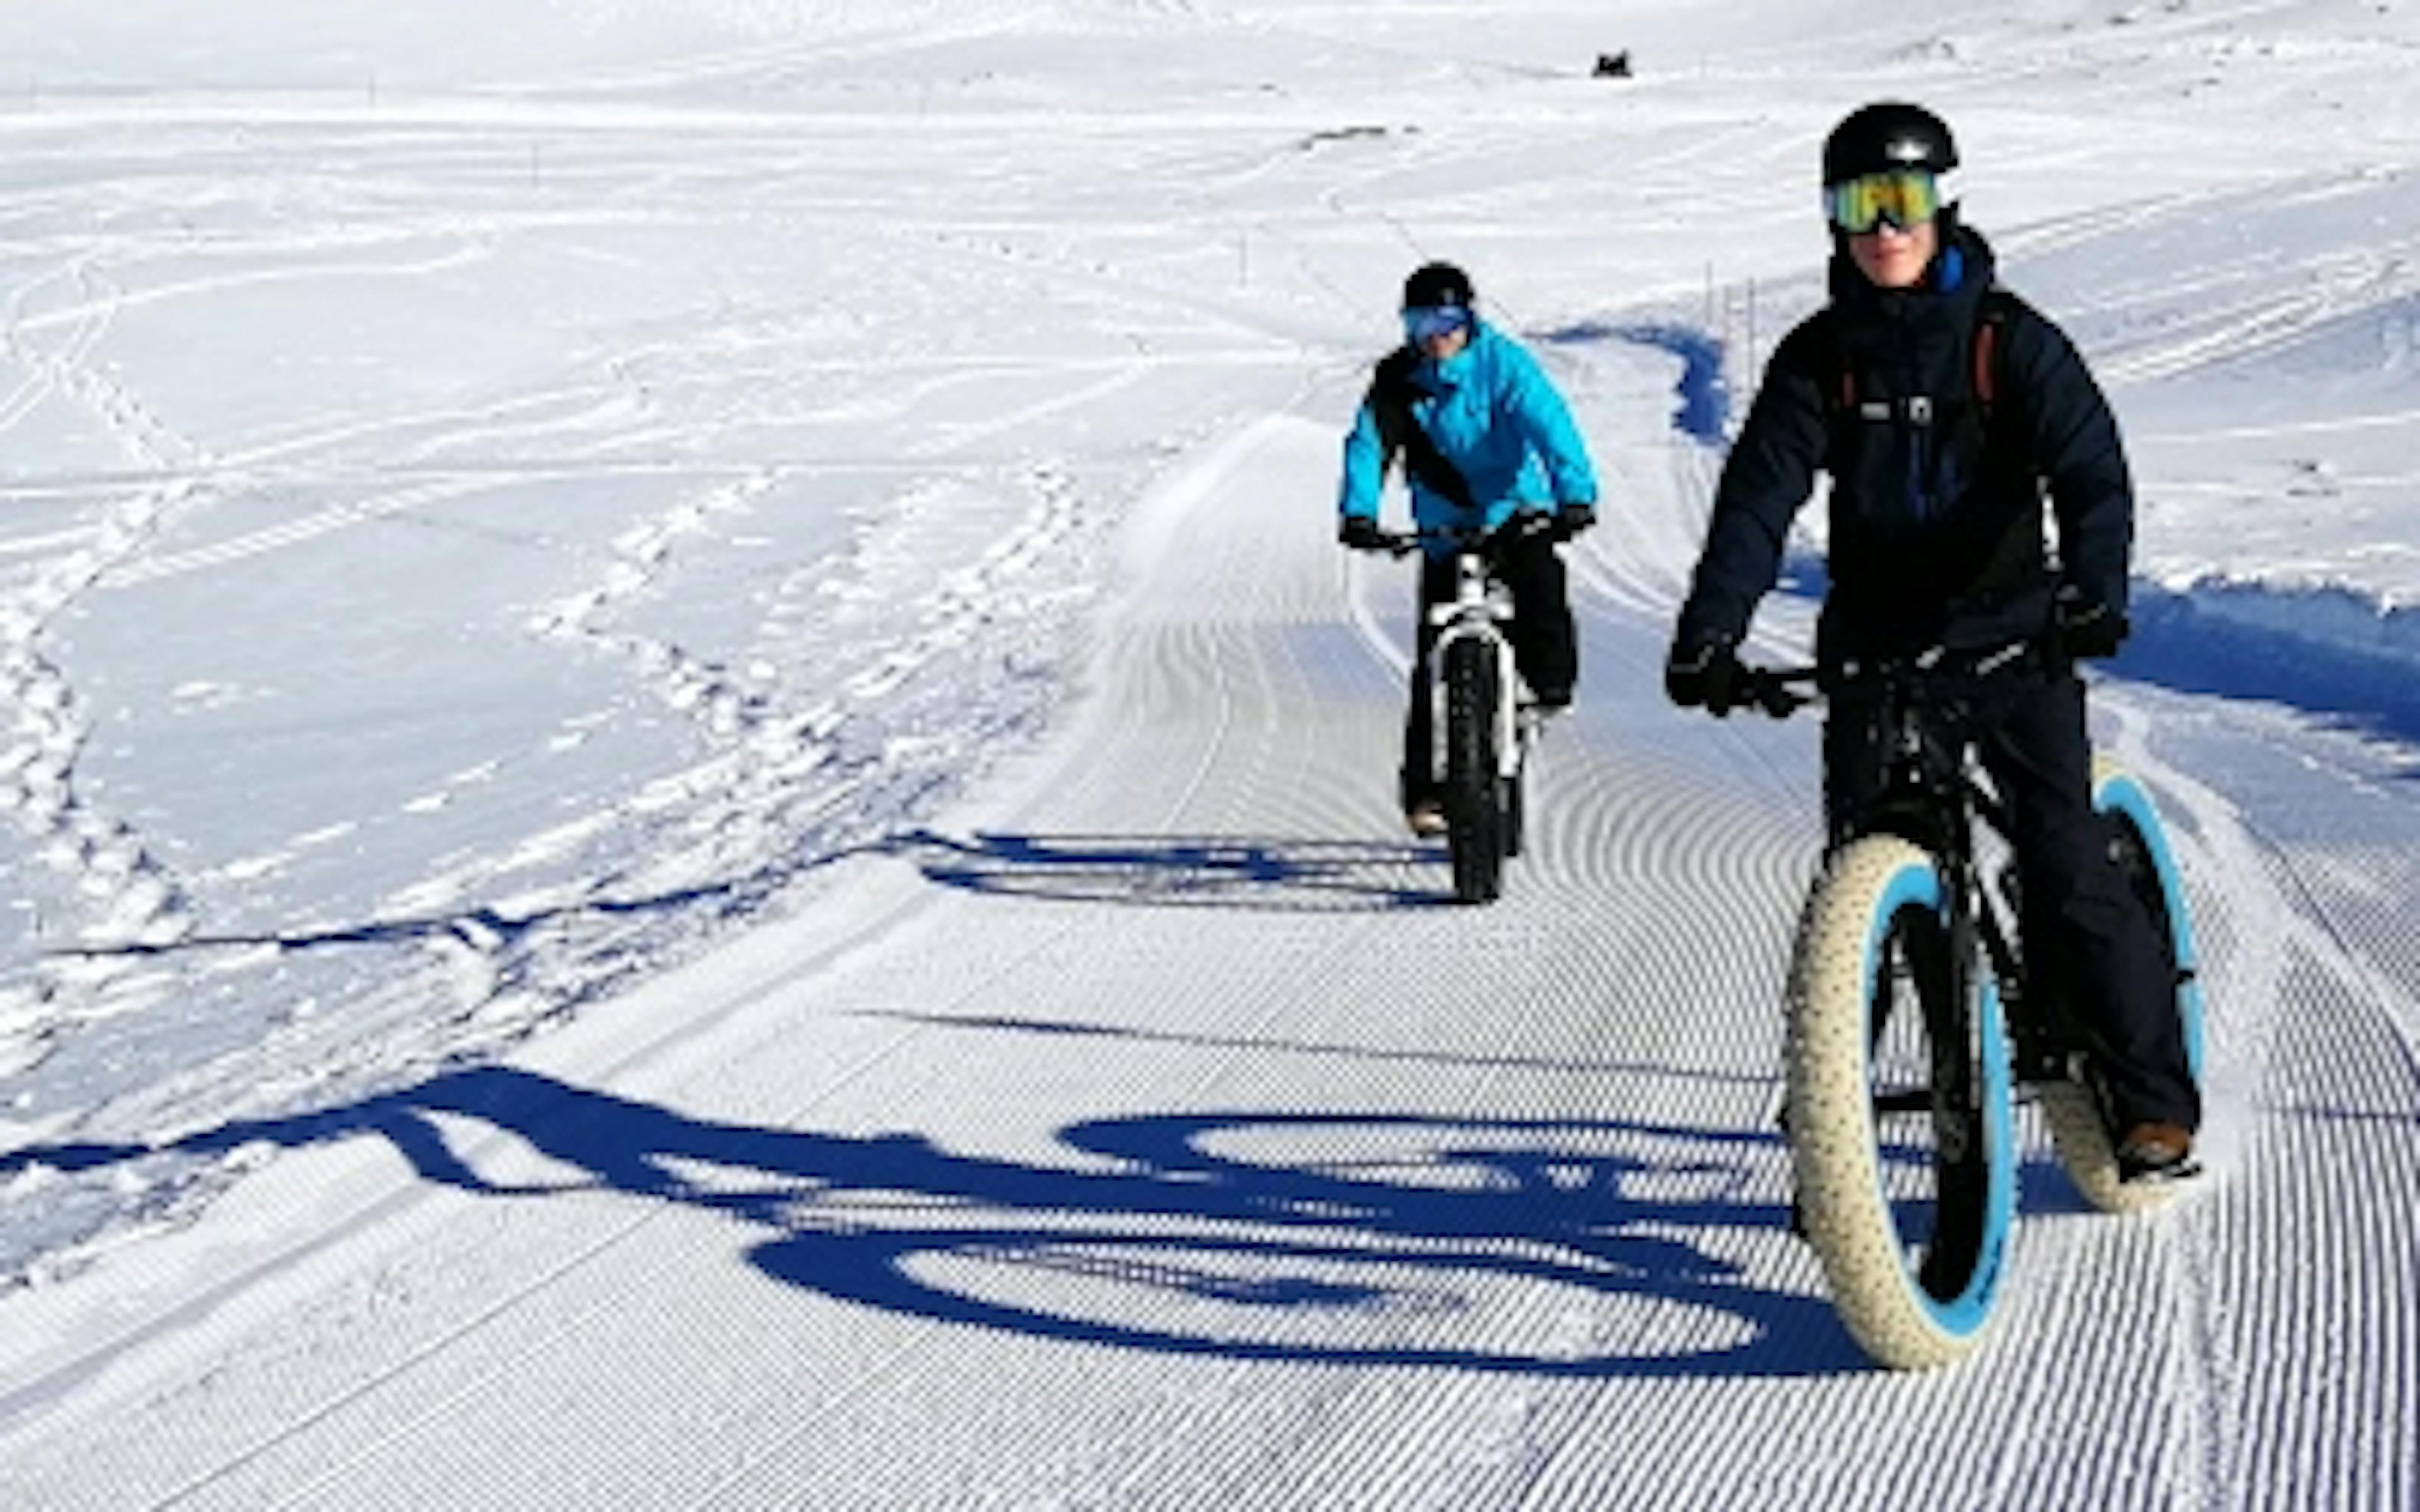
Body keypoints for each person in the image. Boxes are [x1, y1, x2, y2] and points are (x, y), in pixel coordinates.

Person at [1662, 102, 2200, 1178]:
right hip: (1876, 644)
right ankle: (1833, 1112)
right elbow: (1759, 499)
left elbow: (2091, 474)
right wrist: (1712, 632)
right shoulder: (1821, 360)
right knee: (1853, 877)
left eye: (1902, 201)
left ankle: (2151, 1098)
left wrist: (2093, 591)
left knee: (2063, 865)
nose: (1882, 228)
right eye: (1857, 203)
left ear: (1944, 203)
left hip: (2013, 640)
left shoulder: (2012, 342)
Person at [1337, 260, 1599, 837]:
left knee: (1540, 587)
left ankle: (1550, 686)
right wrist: (1359, 512)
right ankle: (1426, 792)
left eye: (1448, 319)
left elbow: (1549, 423)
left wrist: (1574, 495)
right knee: (1433, 657)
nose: (1436, 334)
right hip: (1444, 527)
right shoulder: (1396, 380)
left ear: (1470, 318)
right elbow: (1367, 443)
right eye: (1421, 321)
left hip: (1512, 510)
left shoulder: (1504, 365)